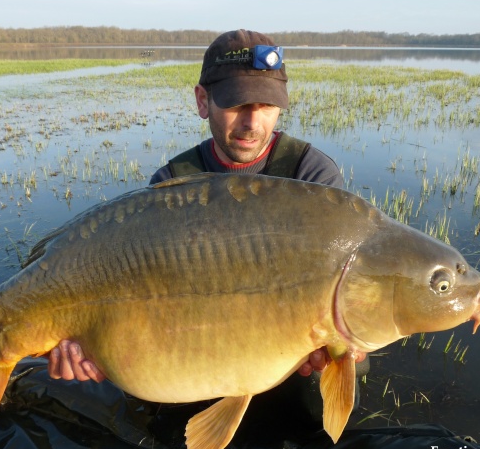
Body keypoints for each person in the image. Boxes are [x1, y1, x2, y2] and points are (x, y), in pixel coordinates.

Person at [47, 29, 367, 397]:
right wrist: (98, 349)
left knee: (343, 355)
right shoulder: (172, 182)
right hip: (196, 346)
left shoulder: (312, 178)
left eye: (266, 106)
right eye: (236, 105)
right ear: (203, 101)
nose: (252, 122)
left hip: (288, 355)